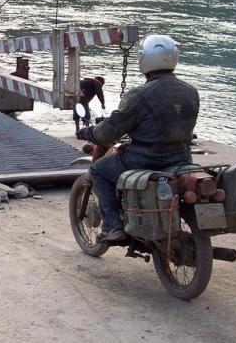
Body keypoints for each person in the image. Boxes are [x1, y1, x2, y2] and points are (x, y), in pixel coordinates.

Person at [76, 35, 200, 243]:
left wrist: (88, 132)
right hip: (181, 159)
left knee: (98, 171)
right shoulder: (191, 92)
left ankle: (113, 227)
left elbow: (108, 132)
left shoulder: (139, 94)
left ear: (146, 59)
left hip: (144, 159)